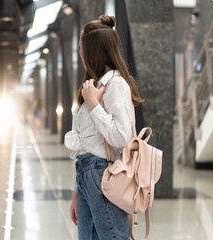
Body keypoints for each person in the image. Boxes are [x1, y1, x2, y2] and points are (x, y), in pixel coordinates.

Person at [64, 15, 144, 240]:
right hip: (86, 175)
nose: (80, 53)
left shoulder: (116, 84)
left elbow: (121, 136)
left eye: (82, 48)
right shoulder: (94, 85)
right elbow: (82, 143)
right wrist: (76, 192)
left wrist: (93, 104)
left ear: (92, 51)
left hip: (102, 173)